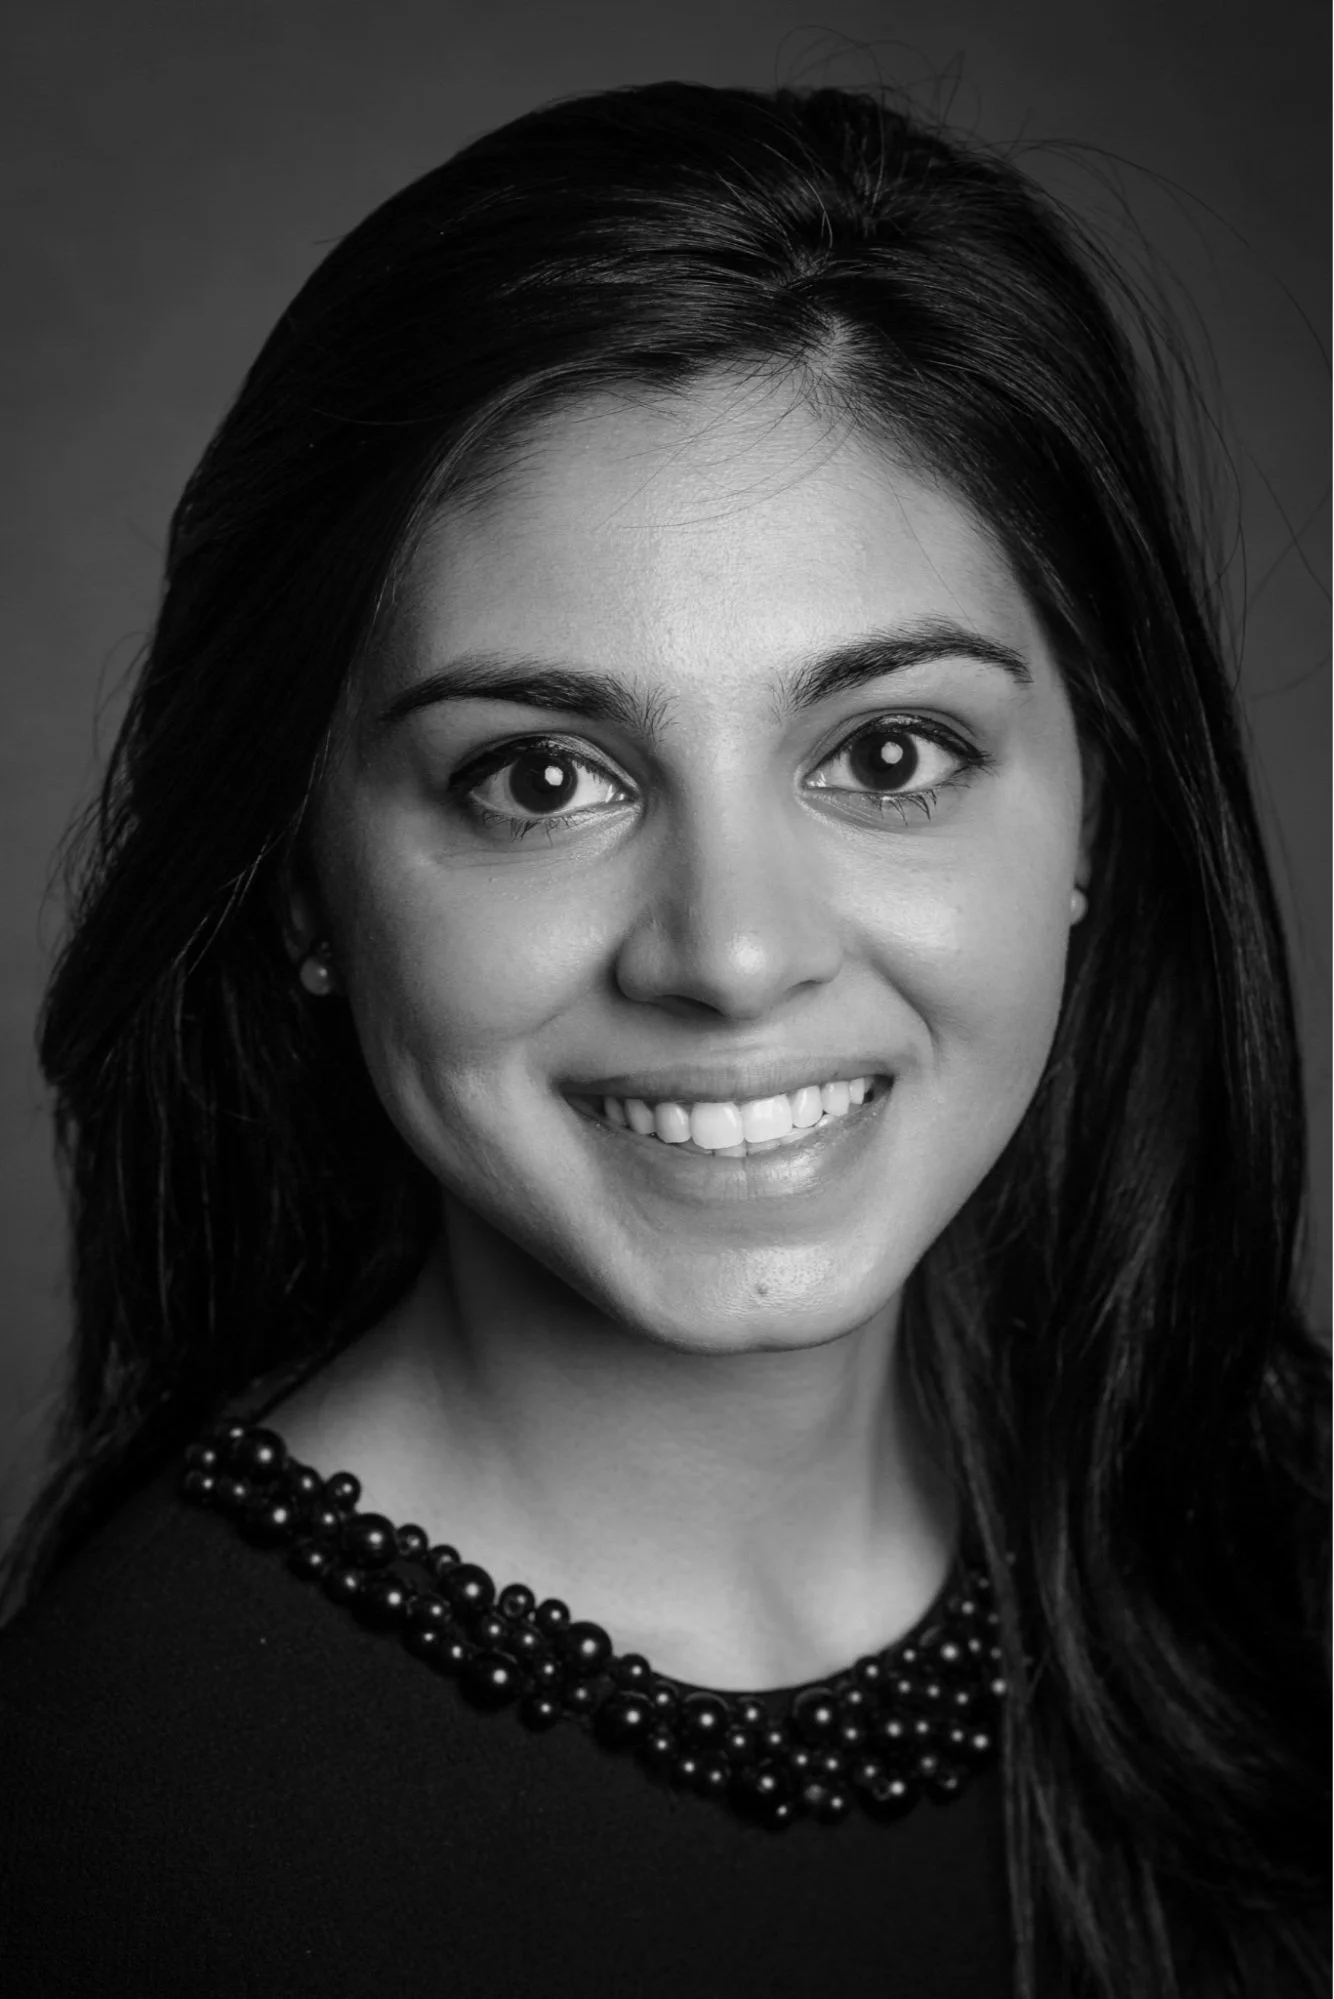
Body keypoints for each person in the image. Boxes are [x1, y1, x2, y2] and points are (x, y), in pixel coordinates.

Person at [0, 78, 1326, 1999]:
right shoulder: (122, 1836)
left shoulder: (1271, 1552)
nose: (733, 953)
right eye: (541, 777)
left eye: (888, 754)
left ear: (1093, 815)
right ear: (298, 883)